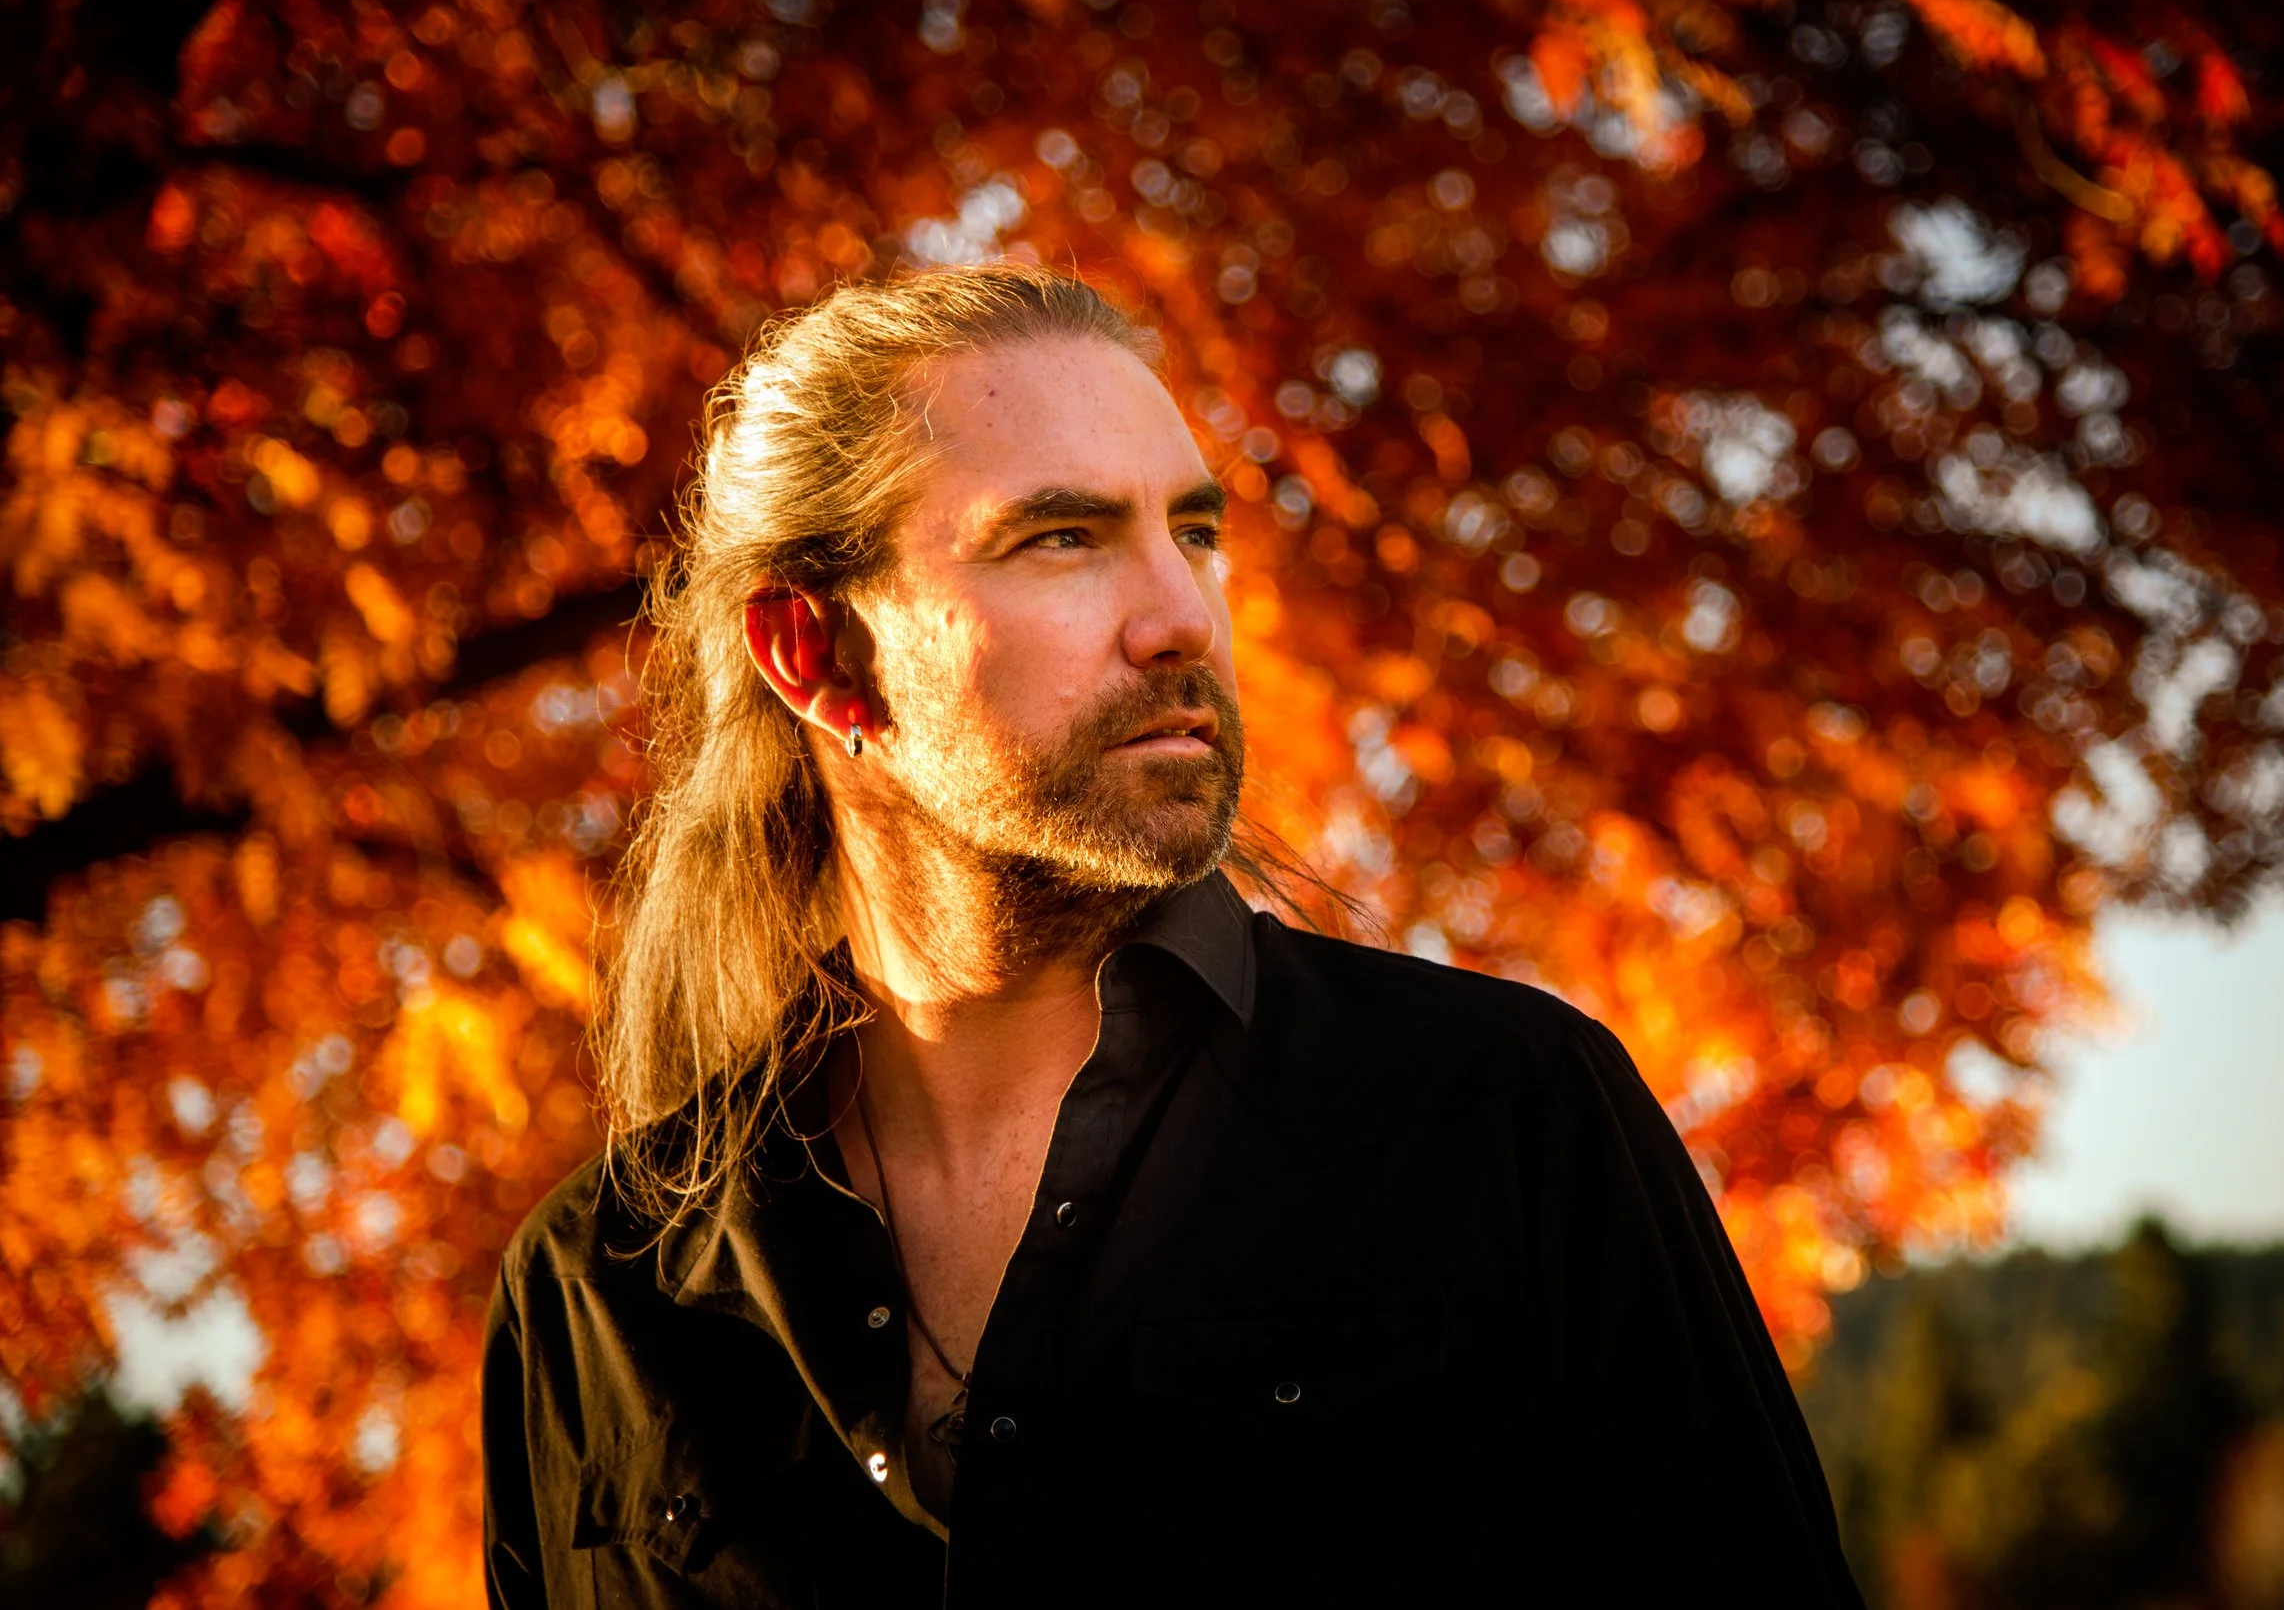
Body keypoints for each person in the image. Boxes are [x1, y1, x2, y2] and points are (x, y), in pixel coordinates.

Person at [481, 260, 1865, 1608]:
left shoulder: (1503, 1124)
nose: (1183, 618)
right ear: (813, 654)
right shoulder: (593, 1296)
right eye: (1062, 538)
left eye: (1193, 532)